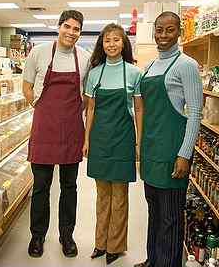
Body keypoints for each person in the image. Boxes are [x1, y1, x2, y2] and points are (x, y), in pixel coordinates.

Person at [134, 12, 203, 267]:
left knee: (171, 217)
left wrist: (185, 154)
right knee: (154, 211)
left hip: (173, 150)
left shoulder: (186, 65)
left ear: (179, 32)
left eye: (170, 30)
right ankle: (153, 260)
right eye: (159, 30)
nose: (163, 36)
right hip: (153, 149)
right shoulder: (150, 66)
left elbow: (195, 113)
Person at [22, 10, 91, 258]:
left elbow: (86, 96)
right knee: (41, 186)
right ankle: (37, 236)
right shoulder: (39, 53)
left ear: (80, 33)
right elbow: (27, 86)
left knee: (69, 186)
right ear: (59, 26)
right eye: (67, 26)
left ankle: (67, 235)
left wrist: (72, 114)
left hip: (71, 130)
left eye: (76, 29)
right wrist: (38, 106)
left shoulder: (84, 58)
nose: (71, 32)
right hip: (44, 129)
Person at [83, 24, 143, 265]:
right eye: (107, 40)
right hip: (99, 139)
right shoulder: (95, 73)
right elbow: (91, 108)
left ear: (123, 43)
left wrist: (139, 141)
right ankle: (100, 243)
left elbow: (139, 108)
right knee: (102, 196)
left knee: (120, 196)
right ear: (102, 43)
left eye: (116, 40)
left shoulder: (134, 73)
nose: (111, 44)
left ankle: (115, 246)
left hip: (123, 139)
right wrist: (86, 139)